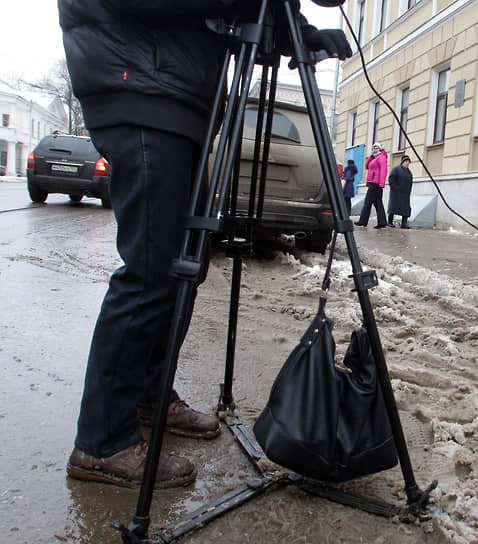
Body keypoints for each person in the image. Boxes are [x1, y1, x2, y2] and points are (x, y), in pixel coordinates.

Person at [58, 0, 351, 489]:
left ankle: (149, 394)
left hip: (179, 98)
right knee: (150, 272)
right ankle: (101, 442)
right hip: (140, 87)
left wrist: (299, 32)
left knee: (181, 269)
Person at [355, 143, 388, 229]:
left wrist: (381, 184)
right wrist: (371, 156)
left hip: (376, 183)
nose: (375, 149)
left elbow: (384, 170)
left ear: (380, 149)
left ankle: (363, 221)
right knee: (378, 203)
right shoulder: (375, 158)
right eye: (373, 148)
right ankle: (382, 222)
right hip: (373, 183)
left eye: (377, 148)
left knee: (368, 202)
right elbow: (366, 166)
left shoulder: (381, 157)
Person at [387, 155, 413, 228]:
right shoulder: (396, 169)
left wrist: (409, 191)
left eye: (408, 162)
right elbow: (391, 179)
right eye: (406, 161)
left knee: (406, 209)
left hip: (405, 193)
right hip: (396, 192)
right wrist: (395, 187)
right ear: (403, 162)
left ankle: (404, 223)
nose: (407, 163)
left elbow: (410, 182)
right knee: (393, 207)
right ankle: (389, 222)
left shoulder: (409, 172)